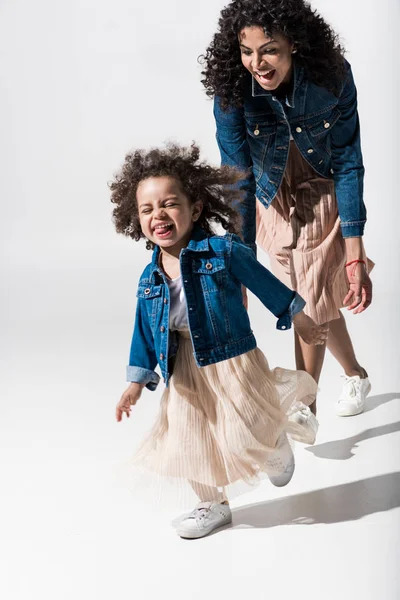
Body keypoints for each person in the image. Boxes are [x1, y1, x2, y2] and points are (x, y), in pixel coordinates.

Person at [111, 143, 327, 539]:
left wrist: (299, 316)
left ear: (194, 210)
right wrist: (135, 383)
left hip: (231, 357)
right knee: (190, 437)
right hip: (183, 366)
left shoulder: (222, 251)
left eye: (169, 204)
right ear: (135, 220)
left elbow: (264, 285)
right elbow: (143, 330)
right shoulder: (149, 279)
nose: (158, 214)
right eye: (146, 209)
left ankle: (273, 439)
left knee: (242, 426)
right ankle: (212, 504)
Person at [201, 0, 373, 417]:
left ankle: (303, 407)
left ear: (293, 43)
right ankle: (356, 374)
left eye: (269, 49)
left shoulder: (332, 76)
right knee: (314, 296)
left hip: (320, 186)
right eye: (246, 51)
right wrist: (240, 268)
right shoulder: (231, 94)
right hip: (269, 195)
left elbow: (348, 158)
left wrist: (354, 249)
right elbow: (236, 178)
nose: (256, 63)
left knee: (309, 297)